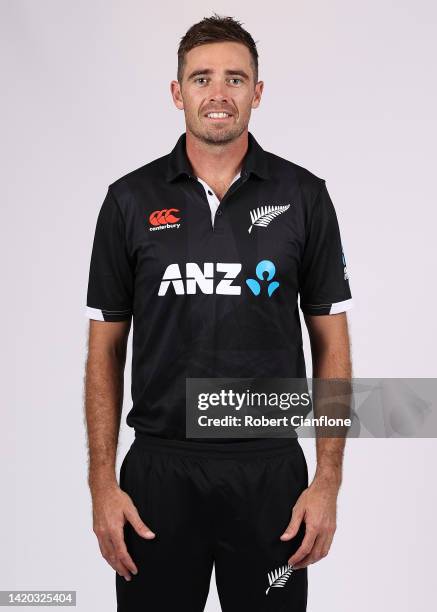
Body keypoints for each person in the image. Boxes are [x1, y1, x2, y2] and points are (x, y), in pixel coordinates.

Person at [84, 13, 353, 612]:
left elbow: (331, 343)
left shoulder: (304, 196)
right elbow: (105, 348)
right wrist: (102, 481)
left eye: (236, 79)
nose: (218, 93)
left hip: (269, 471)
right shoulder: (130, 200)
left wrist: (327, 480)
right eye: (201, 78)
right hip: (159, 471)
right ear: (178, 93)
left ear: (257, 93)